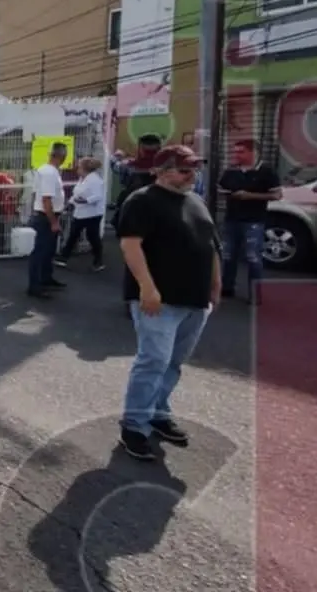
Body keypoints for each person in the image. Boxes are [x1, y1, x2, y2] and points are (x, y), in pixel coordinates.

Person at [116, 145, 220, 460]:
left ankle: (158, 413)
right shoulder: (142, 201)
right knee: (153, 361)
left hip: (195, 299)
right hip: (159, 301)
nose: (192, 175)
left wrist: (215, 283)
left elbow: (211, 245)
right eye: (184, 169)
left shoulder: (196, 201)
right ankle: (134, 426)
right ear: (161, 171)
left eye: (195, 168)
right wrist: (147, 288)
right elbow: (131, 246)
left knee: (173, 363)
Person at [217, 140, 281, 304]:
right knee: (228, 256)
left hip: (254, 221)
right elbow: (220, 189)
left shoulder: (267, 172)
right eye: (236, 151)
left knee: (253, 257)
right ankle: (227, 287)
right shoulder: (230, 172)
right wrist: (227, 193)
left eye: (241, 152)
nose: (236, 155)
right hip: (231, 219)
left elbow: (276, 195)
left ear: (254, 153)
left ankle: (255, 294)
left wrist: (250, 196)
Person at [27, 142, 68, 298]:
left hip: (46, 215)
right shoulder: (50, 173)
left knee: (48, 251)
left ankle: (45, 278)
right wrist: (53, 222)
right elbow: (46, 199)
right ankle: (35, 285)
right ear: (61, 156)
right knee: (40, 251)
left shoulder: (48, 171)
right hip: (46, 217)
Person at [55, 157, 107, 272]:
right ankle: (63, 257)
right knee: (73, 234)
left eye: (78, 167)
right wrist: (70, 203)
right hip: (81, 212)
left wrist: (85, 201)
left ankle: (98, 260)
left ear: (85, 169)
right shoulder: (82, 179)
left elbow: (98, 196)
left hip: (93, 214)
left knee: (92, 237)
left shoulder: (95, 180)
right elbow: (77, 193)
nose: (76, 169)